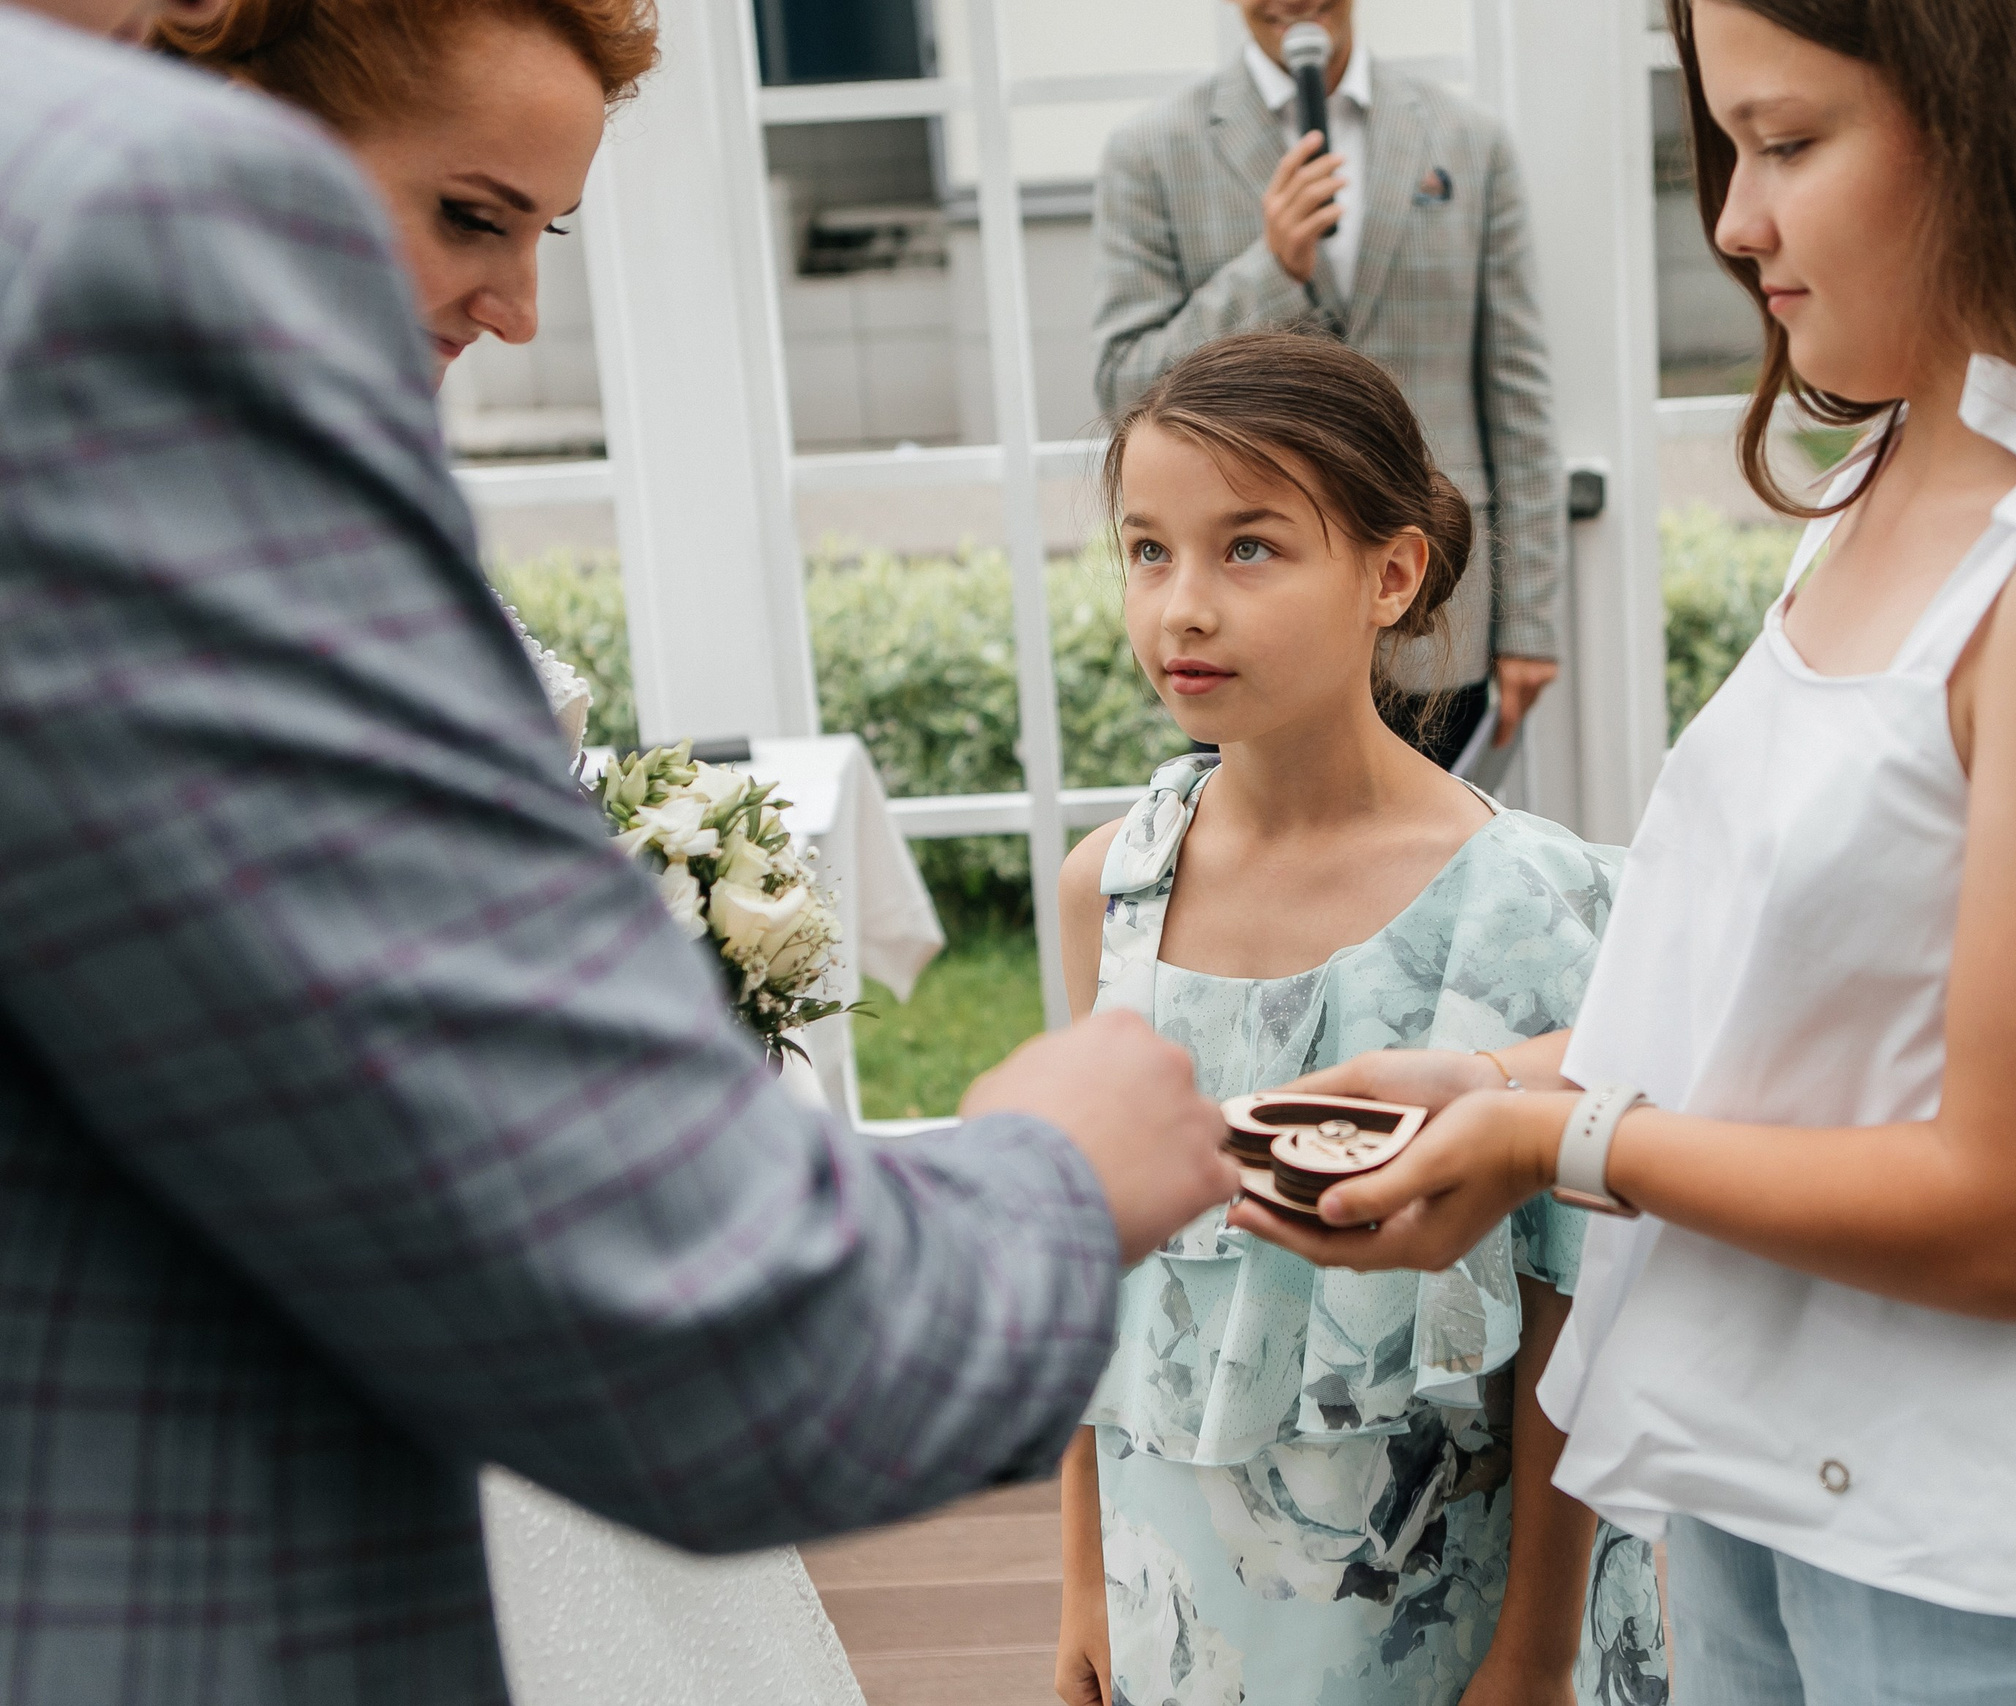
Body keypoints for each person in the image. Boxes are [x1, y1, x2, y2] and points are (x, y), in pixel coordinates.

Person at [1239, 2, 2016, 1702]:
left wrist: (1561, 1136)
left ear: (2005, 125)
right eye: (1729, 146)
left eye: (1790, 142)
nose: (1735, 221)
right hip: (1789, 1497)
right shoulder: (1887, 485)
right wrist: (1497, 1079)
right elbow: (1832, 1027)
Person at [0, 6, 1236, 1705]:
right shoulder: (125, 231)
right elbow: (736, 1352)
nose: (514, 309)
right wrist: (1052, 1166)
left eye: (539, 233)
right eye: (467, 215)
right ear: (235, 114)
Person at [1051, 331, 1666, 1706]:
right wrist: (1087, 1585)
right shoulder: (1113, 893)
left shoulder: (1527, 903)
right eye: (1147, 550)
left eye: (1250, 548)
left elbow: (1578, 1314)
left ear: (1392, 574)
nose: (1181, 608)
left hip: (1457, 1610)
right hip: (1181, 1596)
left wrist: (1537, 1653)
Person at [1092, 0, 1564, 772]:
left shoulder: (1469, 143)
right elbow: (1125, 386)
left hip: (1441, 610)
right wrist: (1269, 272)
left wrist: (1533, 626)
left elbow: (1519, 398)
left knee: (1427, 871)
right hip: (1244, 611)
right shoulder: (1151, 152)